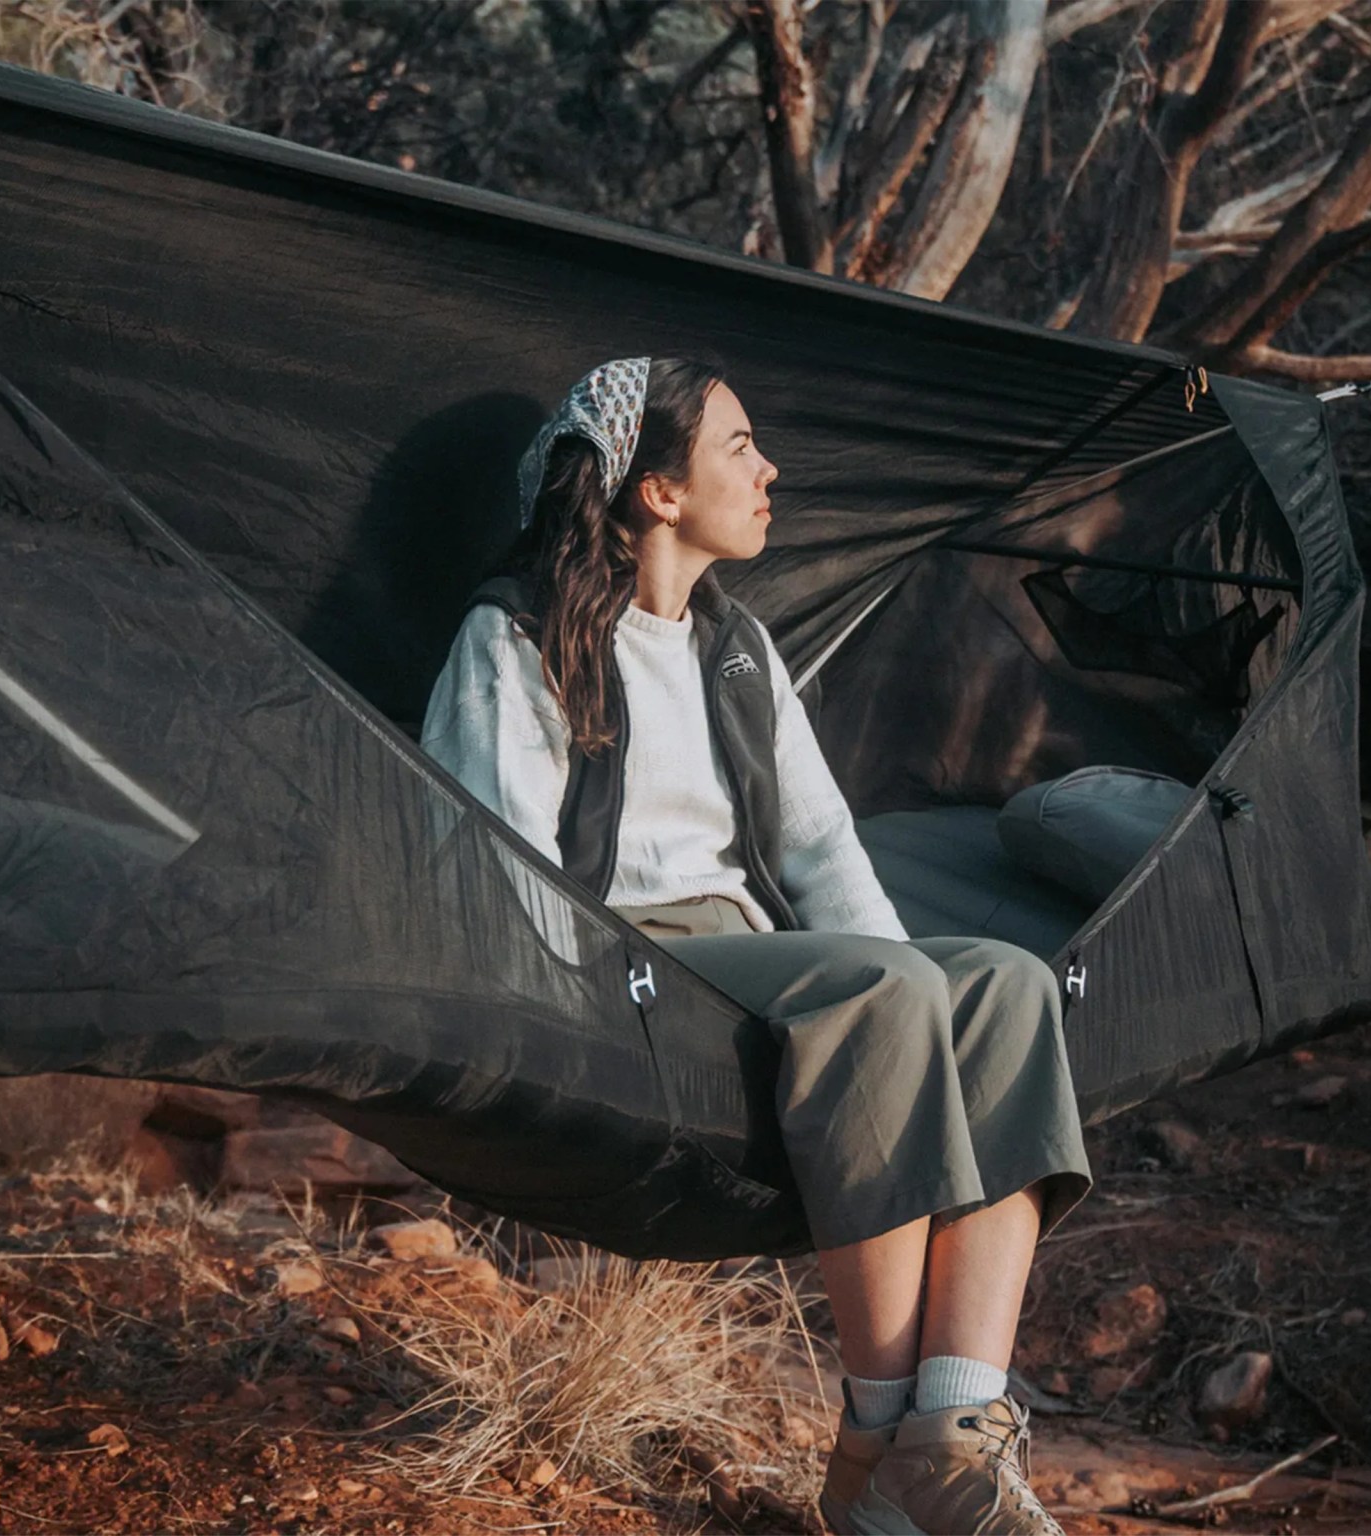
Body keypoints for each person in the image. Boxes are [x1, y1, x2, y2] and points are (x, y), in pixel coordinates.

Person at [421, 356, 1092, 1536]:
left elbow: (823, 848)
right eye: (738, 445)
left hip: (757, 961)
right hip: (621, 974)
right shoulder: (515, 635)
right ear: (658, 492)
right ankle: (882, 1442)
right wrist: (566, 1033)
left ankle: (953, 1426)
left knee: (1007, 984)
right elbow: (494, 860)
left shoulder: (736, 650)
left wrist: (926, 994)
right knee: (883, 992)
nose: (769, 468)